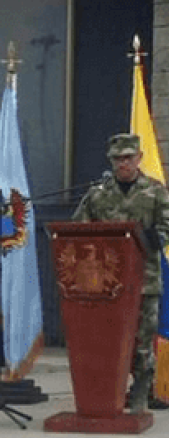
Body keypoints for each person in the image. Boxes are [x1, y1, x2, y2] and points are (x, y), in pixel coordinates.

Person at [73, 133, 169, 413]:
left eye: (128, 158)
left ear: (139, 158)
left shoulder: (155, 191)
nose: (123, 163)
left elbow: (166, 227)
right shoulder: (98, 193)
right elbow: (79, 227)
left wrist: (150, 238)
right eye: (118, 159)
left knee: (142, 342)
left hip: (144, 280)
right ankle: (106, 394)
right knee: (106, 342)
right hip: (104, 283)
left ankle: (140, 395)